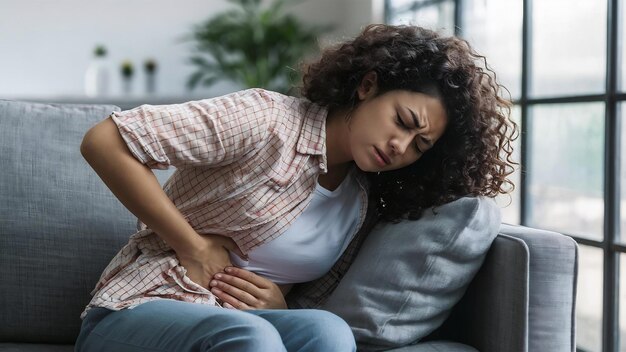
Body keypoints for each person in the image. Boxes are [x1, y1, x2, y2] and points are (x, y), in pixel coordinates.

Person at [75, 24, 517, 352]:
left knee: (328, 332)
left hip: (251, 327)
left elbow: (304, 294)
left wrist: (279, 303)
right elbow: (106, 141)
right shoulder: (266, 119)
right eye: (403, 121)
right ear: (368, 86)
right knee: (250, 336)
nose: (400, 146)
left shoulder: (363, 202)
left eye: (420, 145)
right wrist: (190, 246)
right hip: (141, 309)